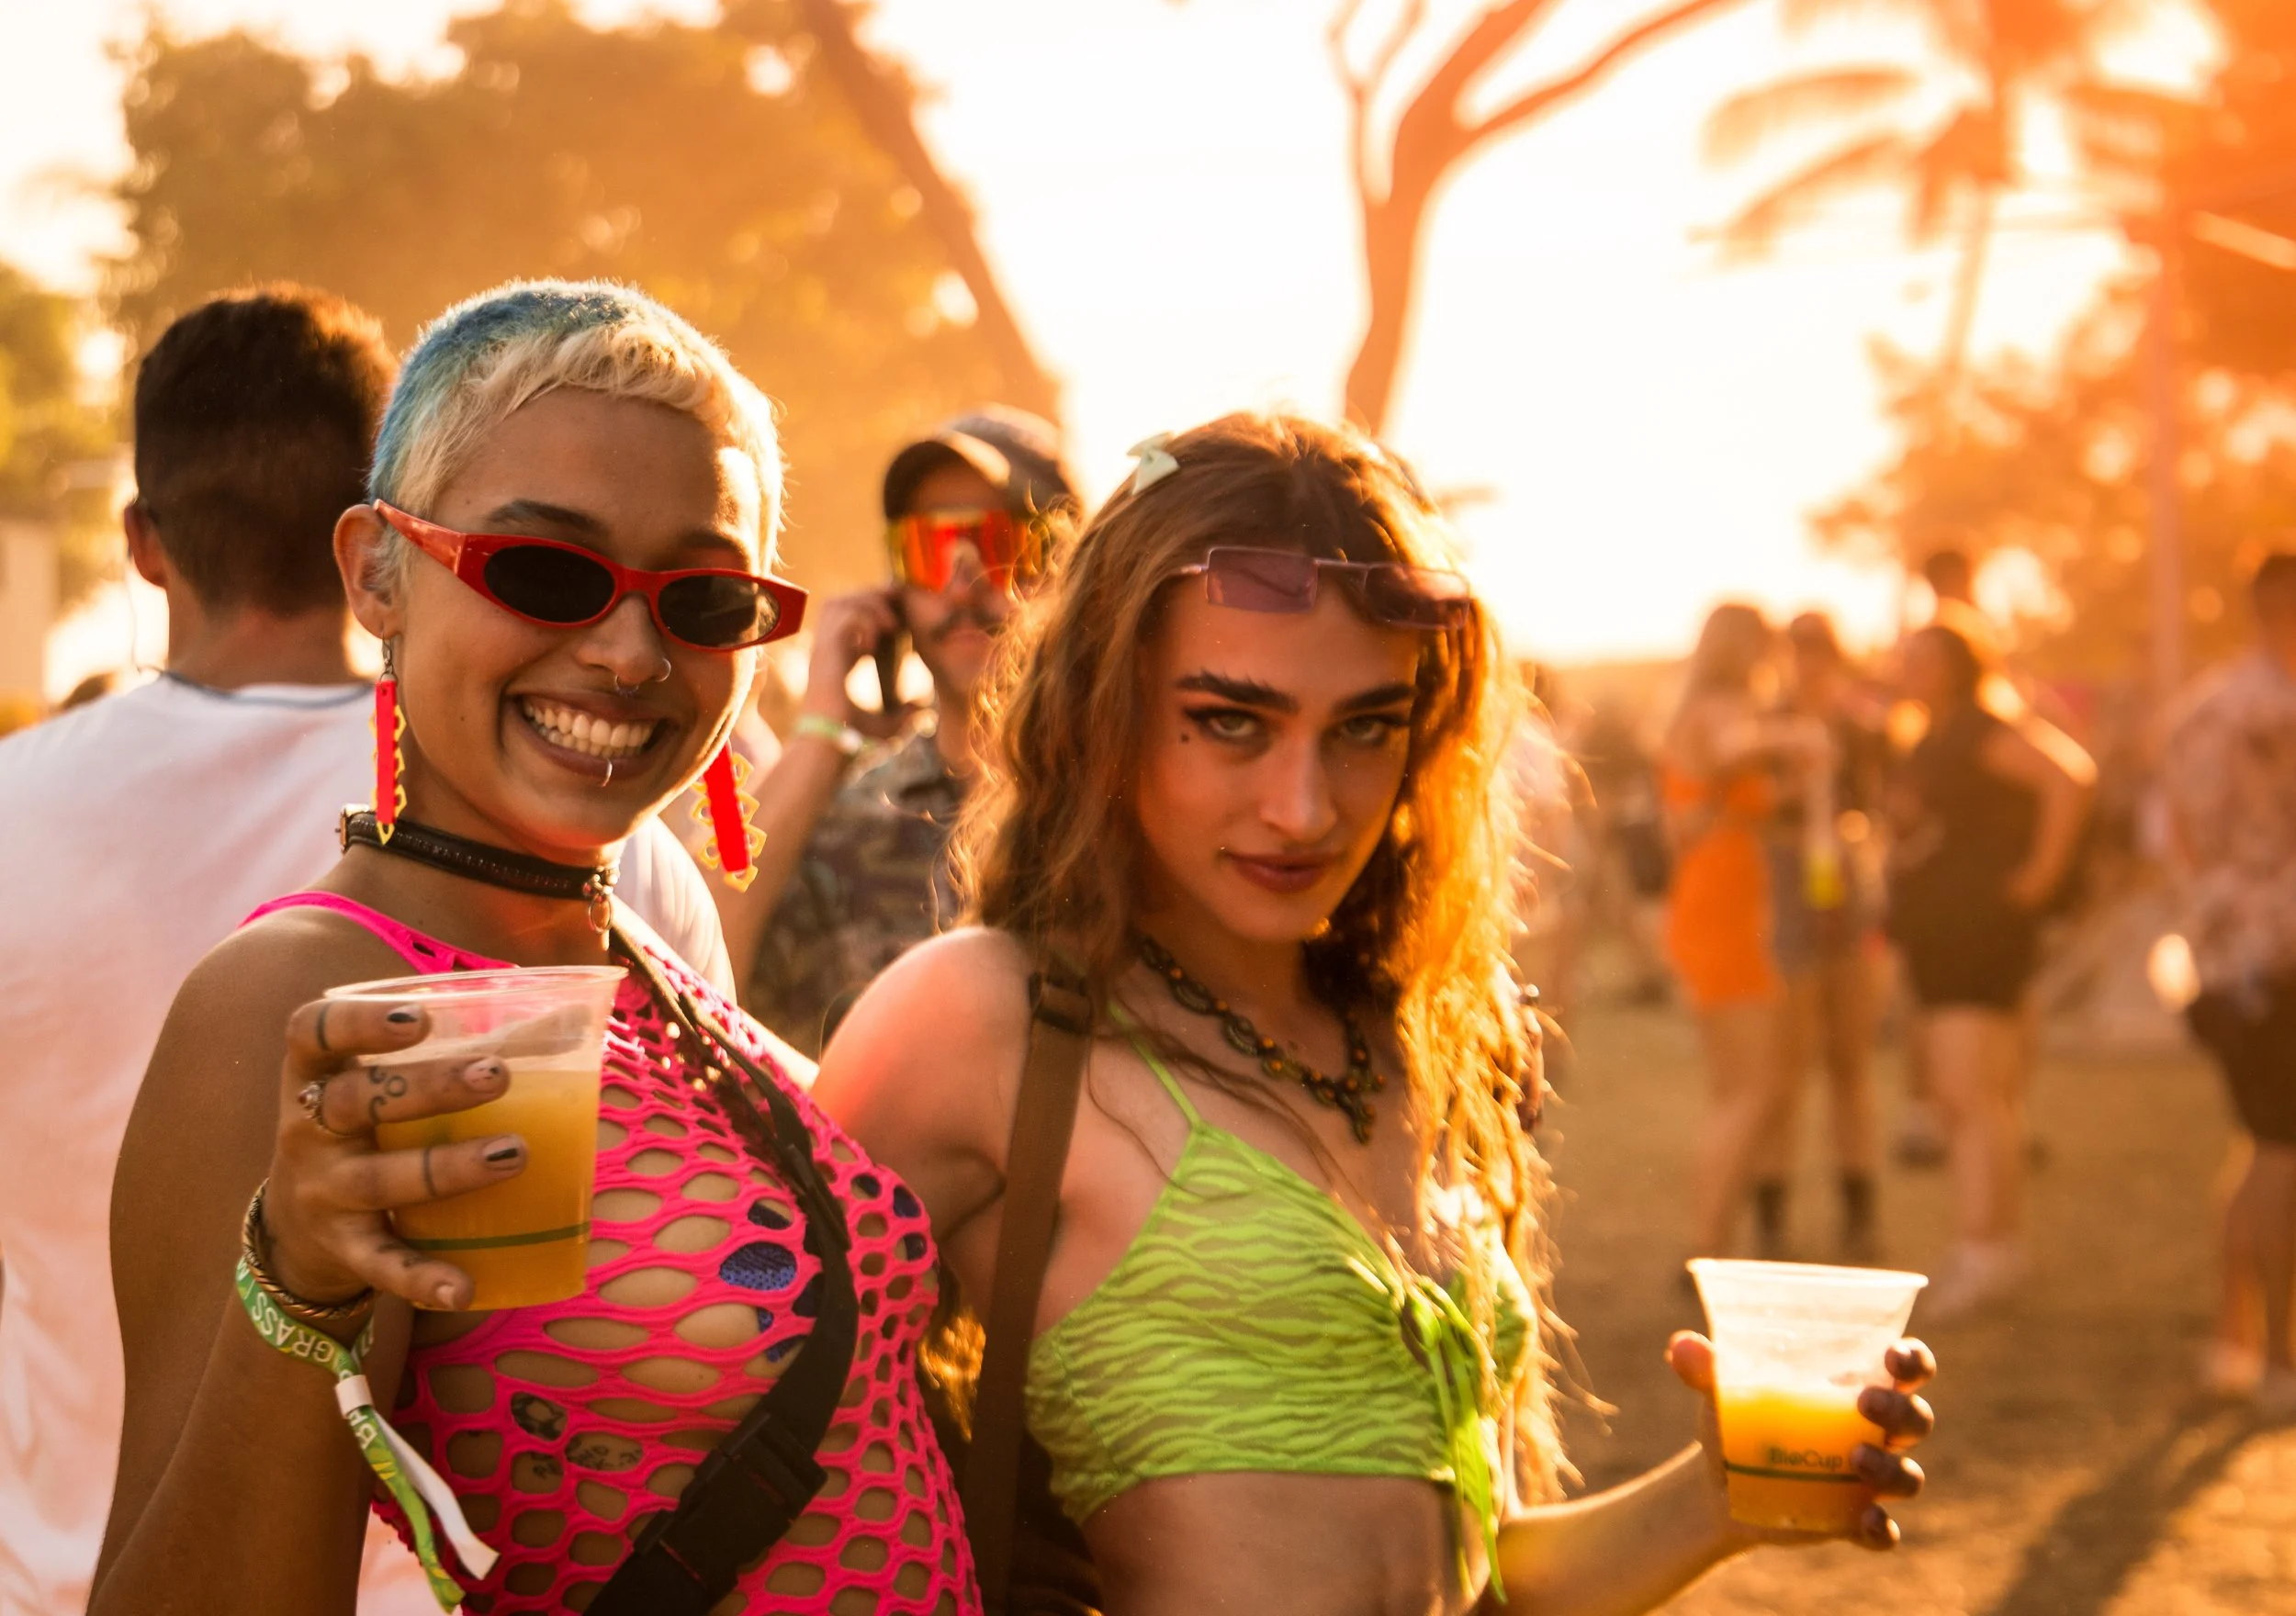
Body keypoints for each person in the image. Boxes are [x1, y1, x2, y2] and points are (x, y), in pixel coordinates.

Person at [813, 416, 1935, 1616]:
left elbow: (1487, 1569)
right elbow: (722, 1433)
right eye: (1231, 721)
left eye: (1364, 729)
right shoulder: (984, 1019)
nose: (1304, 808)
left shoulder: (1425, 1043)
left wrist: (1717, 1496)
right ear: (1106, 708)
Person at [91, 282, 973, 1616]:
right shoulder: (319, 994)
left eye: (703, 597)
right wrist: (300, 1284)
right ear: (378, 573)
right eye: (544, 573)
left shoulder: (642, 965)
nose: (628, 652)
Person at [0, 286, 728, 1616]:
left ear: (145, 545)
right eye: (547, 571)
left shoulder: (12, 818)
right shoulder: (600, 841)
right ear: (372, 547)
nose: (626, 650)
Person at [708, 409, 1075, 1054]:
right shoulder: (849, 817)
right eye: (930, 552)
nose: (963, 585)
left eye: (996, 545)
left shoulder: (1129, 803)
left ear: (1070, 566)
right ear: (895, 588)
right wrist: (821, 733)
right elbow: (693, 948)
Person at [1884, 620, 2092, 1317]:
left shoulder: (1982, 728)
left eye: (1922, 658)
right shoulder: (1932, 735)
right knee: (1974, 1096)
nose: (1906, 668)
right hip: (1943, 934)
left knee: (1969, 1093)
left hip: (1979, 934)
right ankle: (1994, 1246)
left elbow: (2070, 777)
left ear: (1957, 668)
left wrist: (2041, 874)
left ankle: (1984, 1249)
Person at [2163, 551, 2296, 1410]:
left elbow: (2172, 838)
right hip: (2273, 963)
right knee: (2282, 1153)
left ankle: (2235, 1343)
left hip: (2229, 959)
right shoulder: (2259, 711)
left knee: (2260, 1149)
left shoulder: (2201, 708)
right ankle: (2282, 1360)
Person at [1659, 604, 1825, 1261]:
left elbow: (1724, 793)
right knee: (1749, 1091)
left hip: (1724, 902)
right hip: (1723, 911)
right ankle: (1706, 1250)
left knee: (1748, 1088)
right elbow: (1734, 751)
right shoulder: (1722, 709)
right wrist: (1800, 739)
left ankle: (1719, 1244)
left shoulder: (1699, 709)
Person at [1748, 612, 1890, 1261]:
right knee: (1784, 1070)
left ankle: (1859, 1209)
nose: (1810, 666)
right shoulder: (1765, 727)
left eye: (1821, 654)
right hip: (1786, 892)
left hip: (1845, 894)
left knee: (1850, 1064)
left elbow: (1879, 804)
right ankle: (1771, 1217)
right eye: (1798, 653)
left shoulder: (1859, 727)